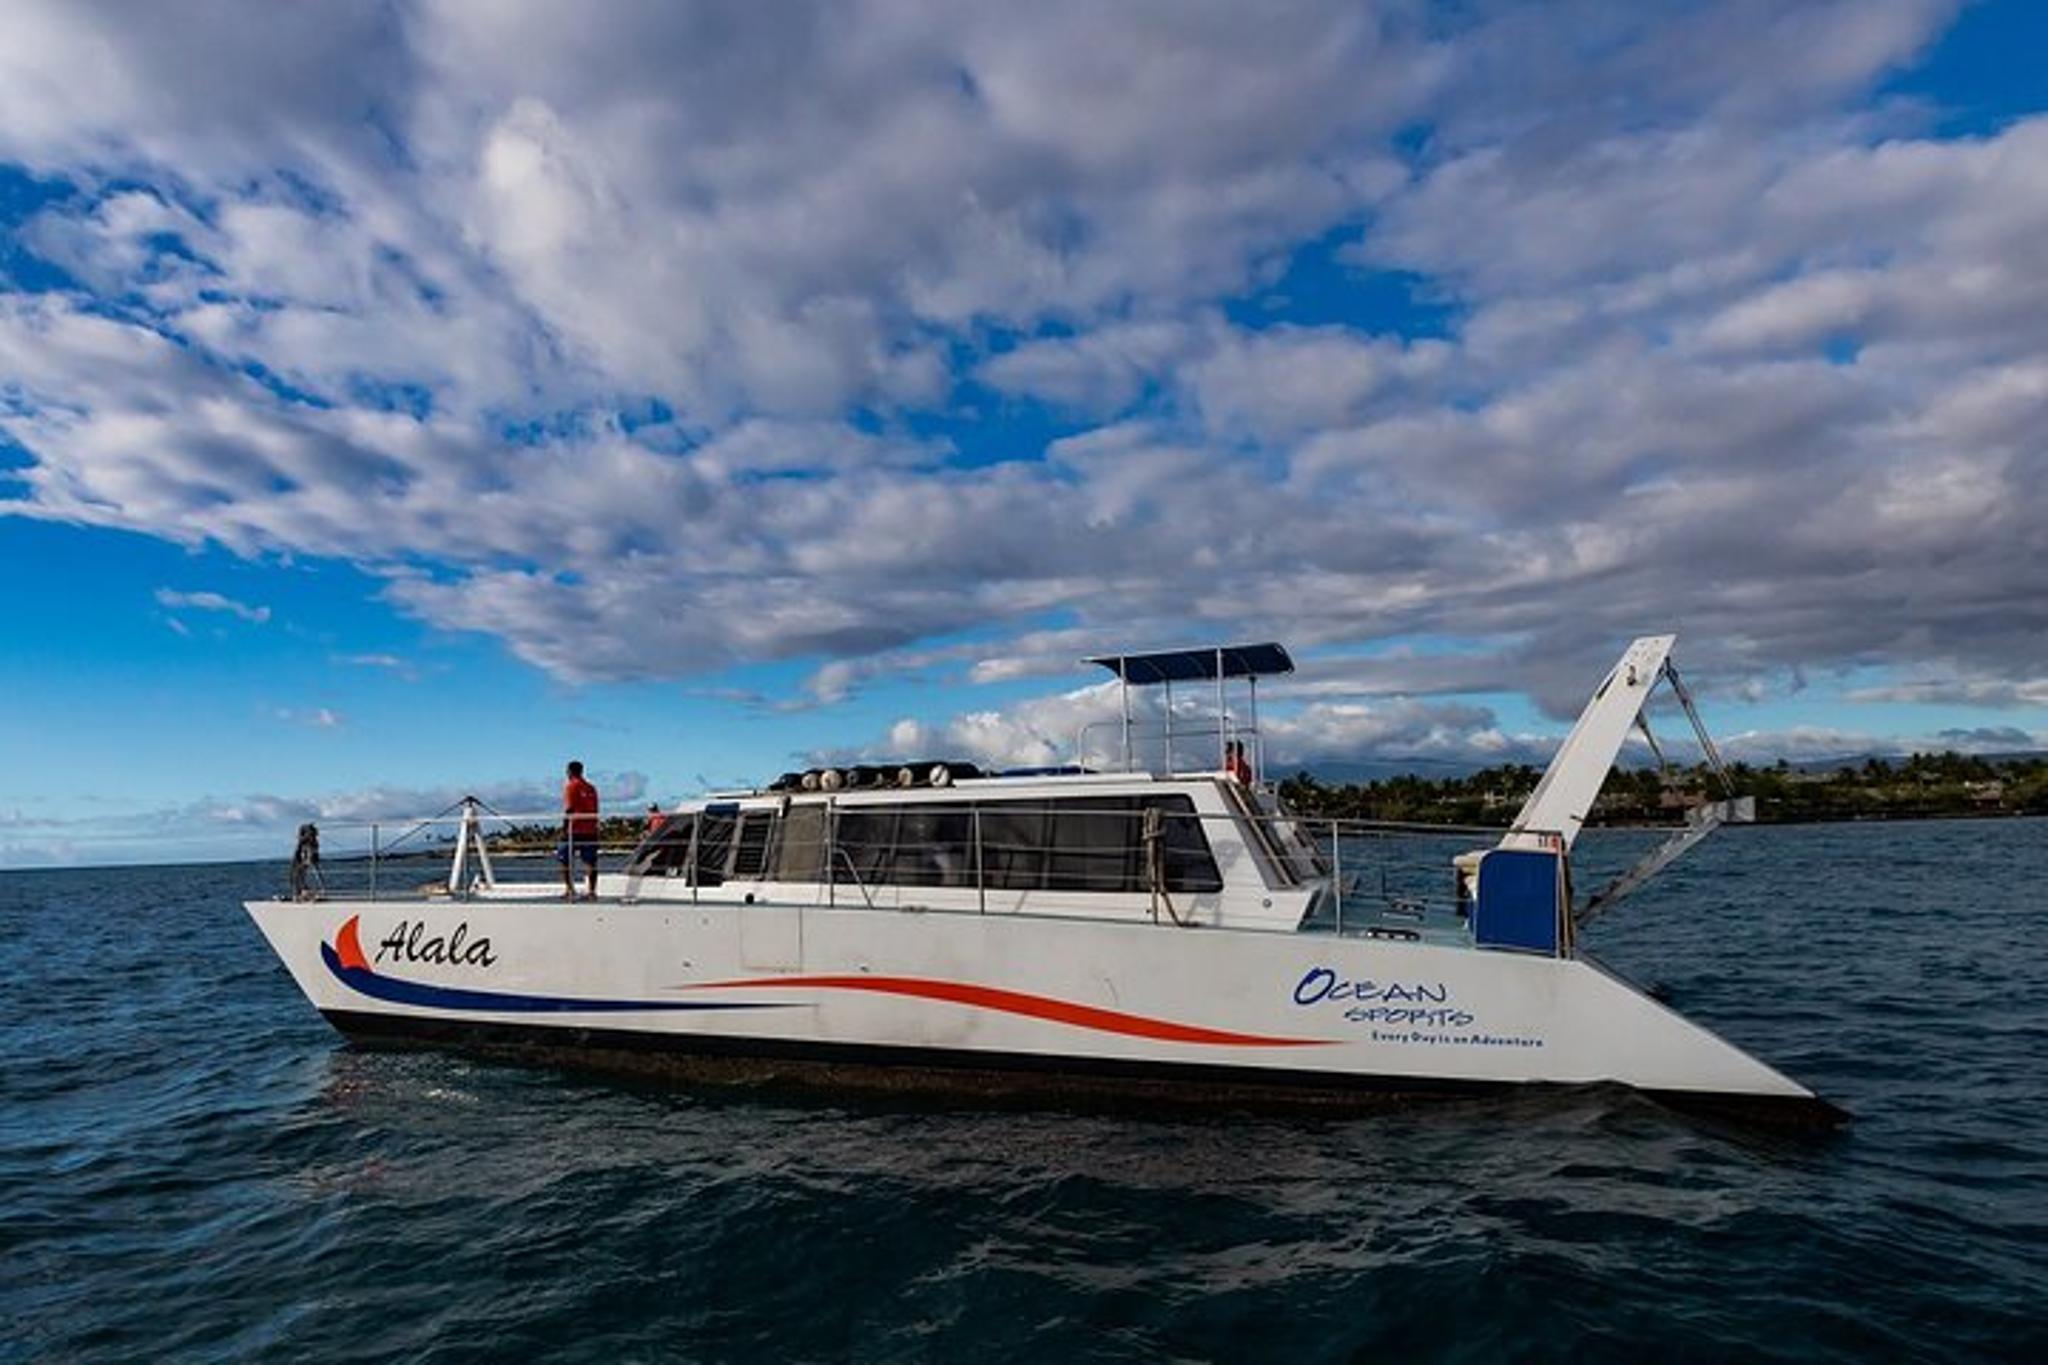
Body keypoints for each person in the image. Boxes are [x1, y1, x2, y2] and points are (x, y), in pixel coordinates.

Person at [559, 760, 601, 900]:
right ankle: (592, 892)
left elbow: (569, 809)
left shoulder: (571, 786)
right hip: (590, 829)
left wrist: (564, 828)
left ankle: (569, 889)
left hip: (575, 829)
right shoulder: (591, 788)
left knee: (564, 860)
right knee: (591, 862)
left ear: (569, 771)